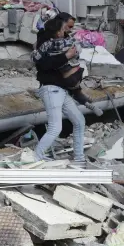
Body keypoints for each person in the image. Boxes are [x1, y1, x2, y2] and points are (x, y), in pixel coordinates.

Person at [32, 17, 90, 163]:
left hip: (61, 90)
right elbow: (43, 64)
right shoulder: (47, 45)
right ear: (56, 30)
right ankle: (36, 158)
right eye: (64, 29)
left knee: (79, 121)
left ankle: (79, 158)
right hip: (51, 89)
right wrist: (66, 56)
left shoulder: (63, 43)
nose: (66, 32)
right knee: (55, 128)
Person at [34, 17, 104, 116]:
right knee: (75, 91)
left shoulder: (47, 44)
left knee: (74, 92)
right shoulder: (66, 41)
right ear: (58, 32)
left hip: (67, 76)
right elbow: (77, 50)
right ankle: (87, 103)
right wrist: (70, 54)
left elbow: (36, 57)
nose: (68, 30)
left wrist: (35, 52)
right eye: (65, 28)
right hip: (72, 74)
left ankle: (86, 102)